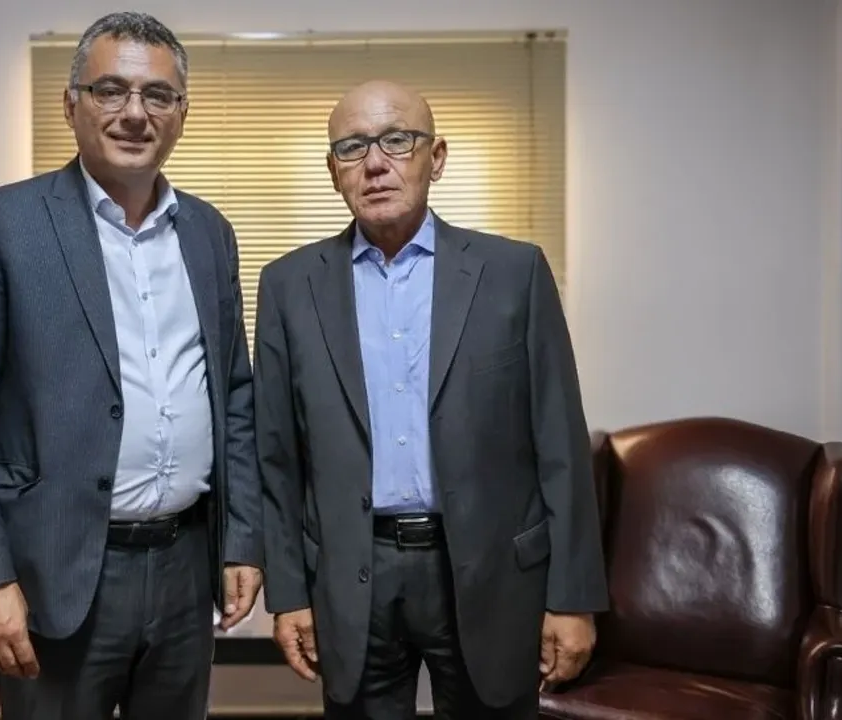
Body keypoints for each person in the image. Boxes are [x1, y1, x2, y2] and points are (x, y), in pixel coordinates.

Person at [0, 12, 263, 720]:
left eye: (157, 95)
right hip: (58, 570)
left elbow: (233, 394)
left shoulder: (209, 232)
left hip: (185, 565)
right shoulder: (3, 224)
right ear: (71, 103)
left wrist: (242, 542)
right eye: (111, 90)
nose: (135, 113)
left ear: (182, 113)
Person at [254, 79, 609, 719]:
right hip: (352, 576)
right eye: (352, 147)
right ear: (333, 171)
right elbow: (277, 459)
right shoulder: (288, 285)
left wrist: (573, 598)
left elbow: (560, 444)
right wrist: (288, 594)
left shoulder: (514, 273)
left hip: (489, 573)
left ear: (436, 158)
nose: (375, 163)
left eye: (397, 140)